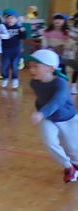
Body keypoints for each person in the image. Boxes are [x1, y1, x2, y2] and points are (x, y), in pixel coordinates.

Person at [26, 49, 78, 183]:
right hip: (48, 118)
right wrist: (41, 112)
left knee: (73, 148)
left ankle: (75, 164)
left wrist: (41, 113)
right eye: (30, 66)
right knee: (49, 142)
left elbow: (57, 101)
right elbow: (42, 98)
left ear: (51, 68)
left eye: (36, 66)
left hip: (68, 118)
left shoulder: (60, 83)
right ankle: (68, 167)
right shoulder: (34, 82)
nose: (31, 69)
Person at [0, 8, 26, 89]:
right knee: (4, 65)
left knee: (15, 65)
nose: (10, 20)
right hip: (5, 49)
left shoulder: (18, 27)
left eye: (12, 18)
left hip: (16, 49)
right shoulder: (3, 27)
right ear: (5, 19)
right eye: (8, 18)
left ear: (16, 19)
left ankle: (15, 78)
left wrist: (23, 31)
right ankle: (5, 78)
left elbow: (24, 37)